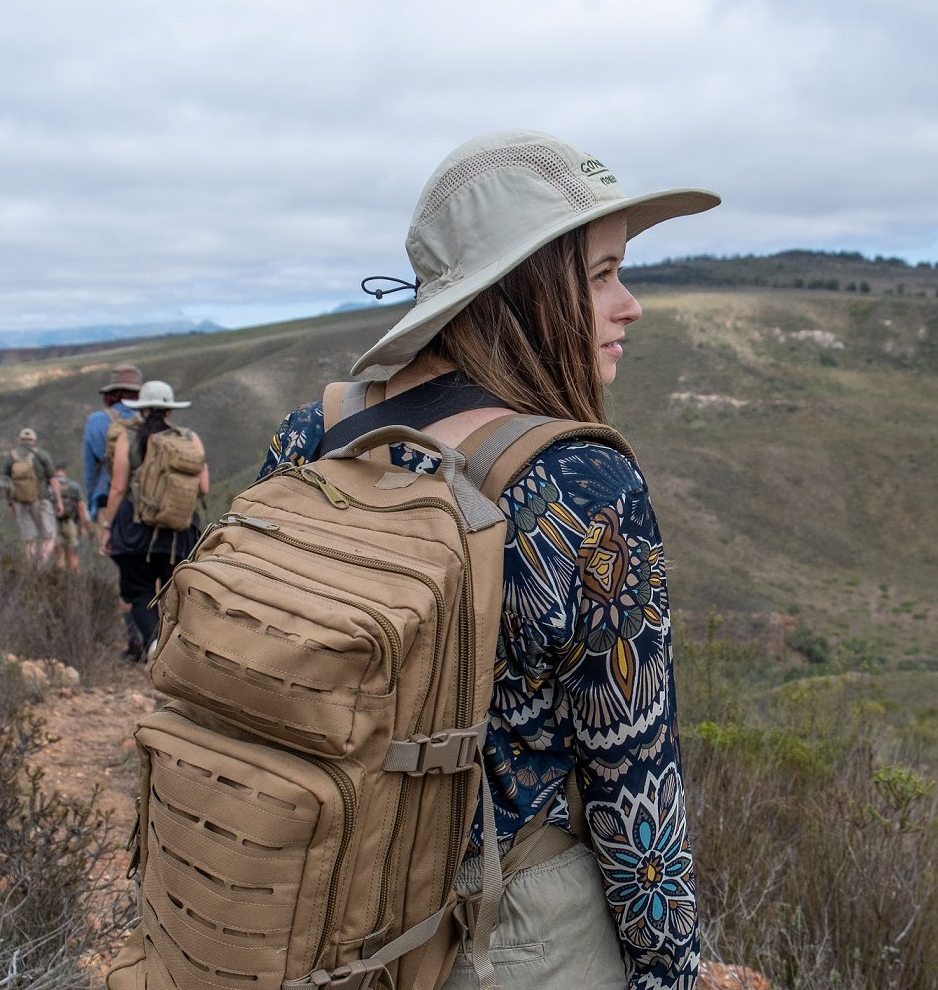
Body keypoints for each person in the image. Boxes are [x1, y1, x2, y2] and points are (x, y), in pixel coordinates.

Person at [259, 130, 717, 989]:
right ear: (526, 287)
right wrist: (672, 973)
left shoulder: (312, 431)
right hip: (503, 932)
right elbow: (634, 788)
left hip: (314, 893)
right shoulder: (583, 483)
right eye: (600, 275)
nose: (630, 305)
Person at [96, 380, 209, 663]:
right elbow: (204, 487)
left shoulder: (128, 437)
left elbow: (118, 486)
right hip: (178, 530)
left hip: (135, 529)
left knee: (138, 591)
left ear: (142, 408)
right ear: (170, 410)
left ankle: (154, 645)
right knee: (176, 591)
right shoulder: (189, 438)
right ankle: (181, 654)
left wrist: (107, 527)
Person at [83, 363, 142, 516]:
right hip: (145, 499)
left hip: (107, 496)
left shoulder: (94, 421)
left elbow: (90, 469)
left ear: (110, 394)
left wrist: (92, 503)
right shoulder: (149, 419)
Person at [0, 427, 63, 566]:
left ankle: (30, 570)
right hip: (41, 501)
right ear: (34, 441)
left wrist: (10, 504)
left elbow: (4, 483)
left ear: (19, 441)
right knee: (50, 537)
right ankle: (41, 564)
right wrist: (58, 501)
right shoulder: (42, 455)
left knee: (30, 540)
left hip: (19, 503)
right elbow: (53, 480)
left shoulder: (11, 457)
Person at [52, 465, 92, 572]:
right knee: (73, 557)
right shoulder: (74, 486)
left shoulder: (50, 487)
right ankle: (74, 583)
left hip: (54, 525)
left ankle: (59, 580)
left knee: (60, 558)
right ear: (65, 472)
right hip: (71, 524)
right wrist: (82, 527)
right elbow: (81, 507)